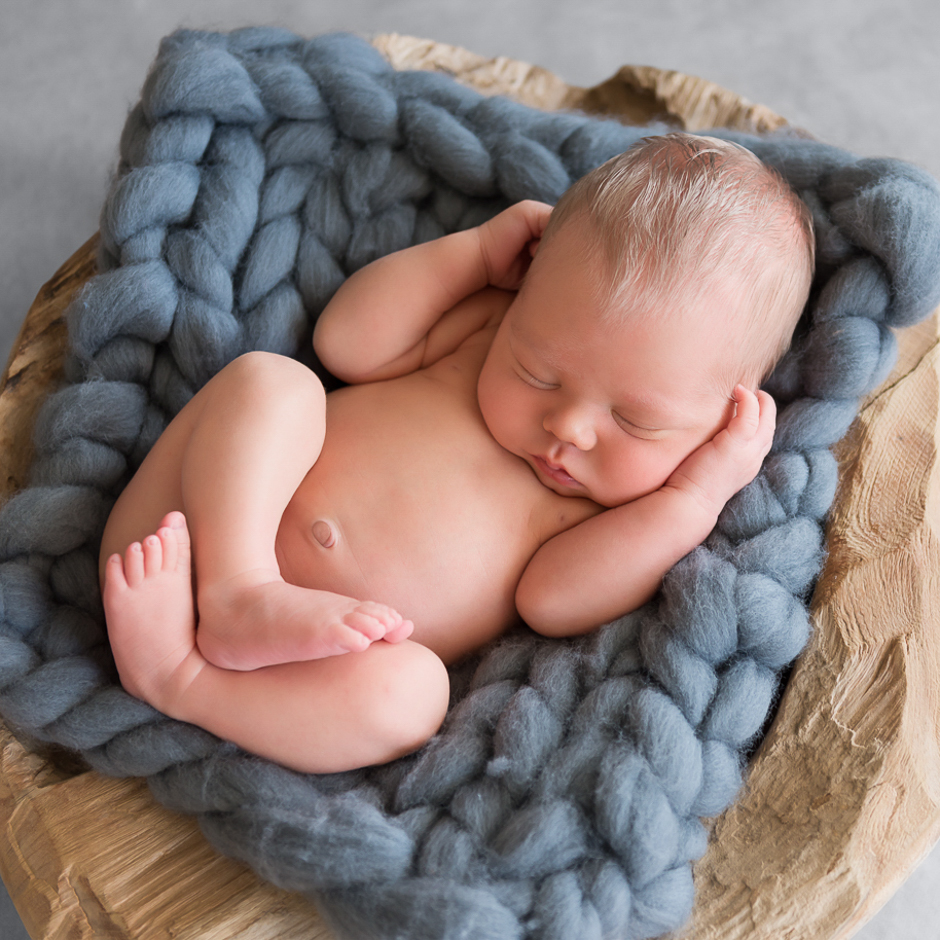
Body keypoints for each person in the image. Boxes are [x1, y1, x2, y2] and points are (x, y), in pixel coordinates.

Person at [99, 133, 815, 775]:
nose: (568, 426)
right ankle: (238, 589)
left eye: (635, 420)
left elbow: (554, 602)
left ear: (717, 423)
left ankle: (180, 681)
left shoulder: (593, 510)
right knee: (272, 381)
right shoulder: (486, 332)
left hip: (283, 667)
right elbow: (346, 343)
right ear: (528, 287)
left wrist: (693, 496)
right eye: (539, 372)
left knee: (412, 696)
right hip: (176, 543)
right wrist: (471, 256)